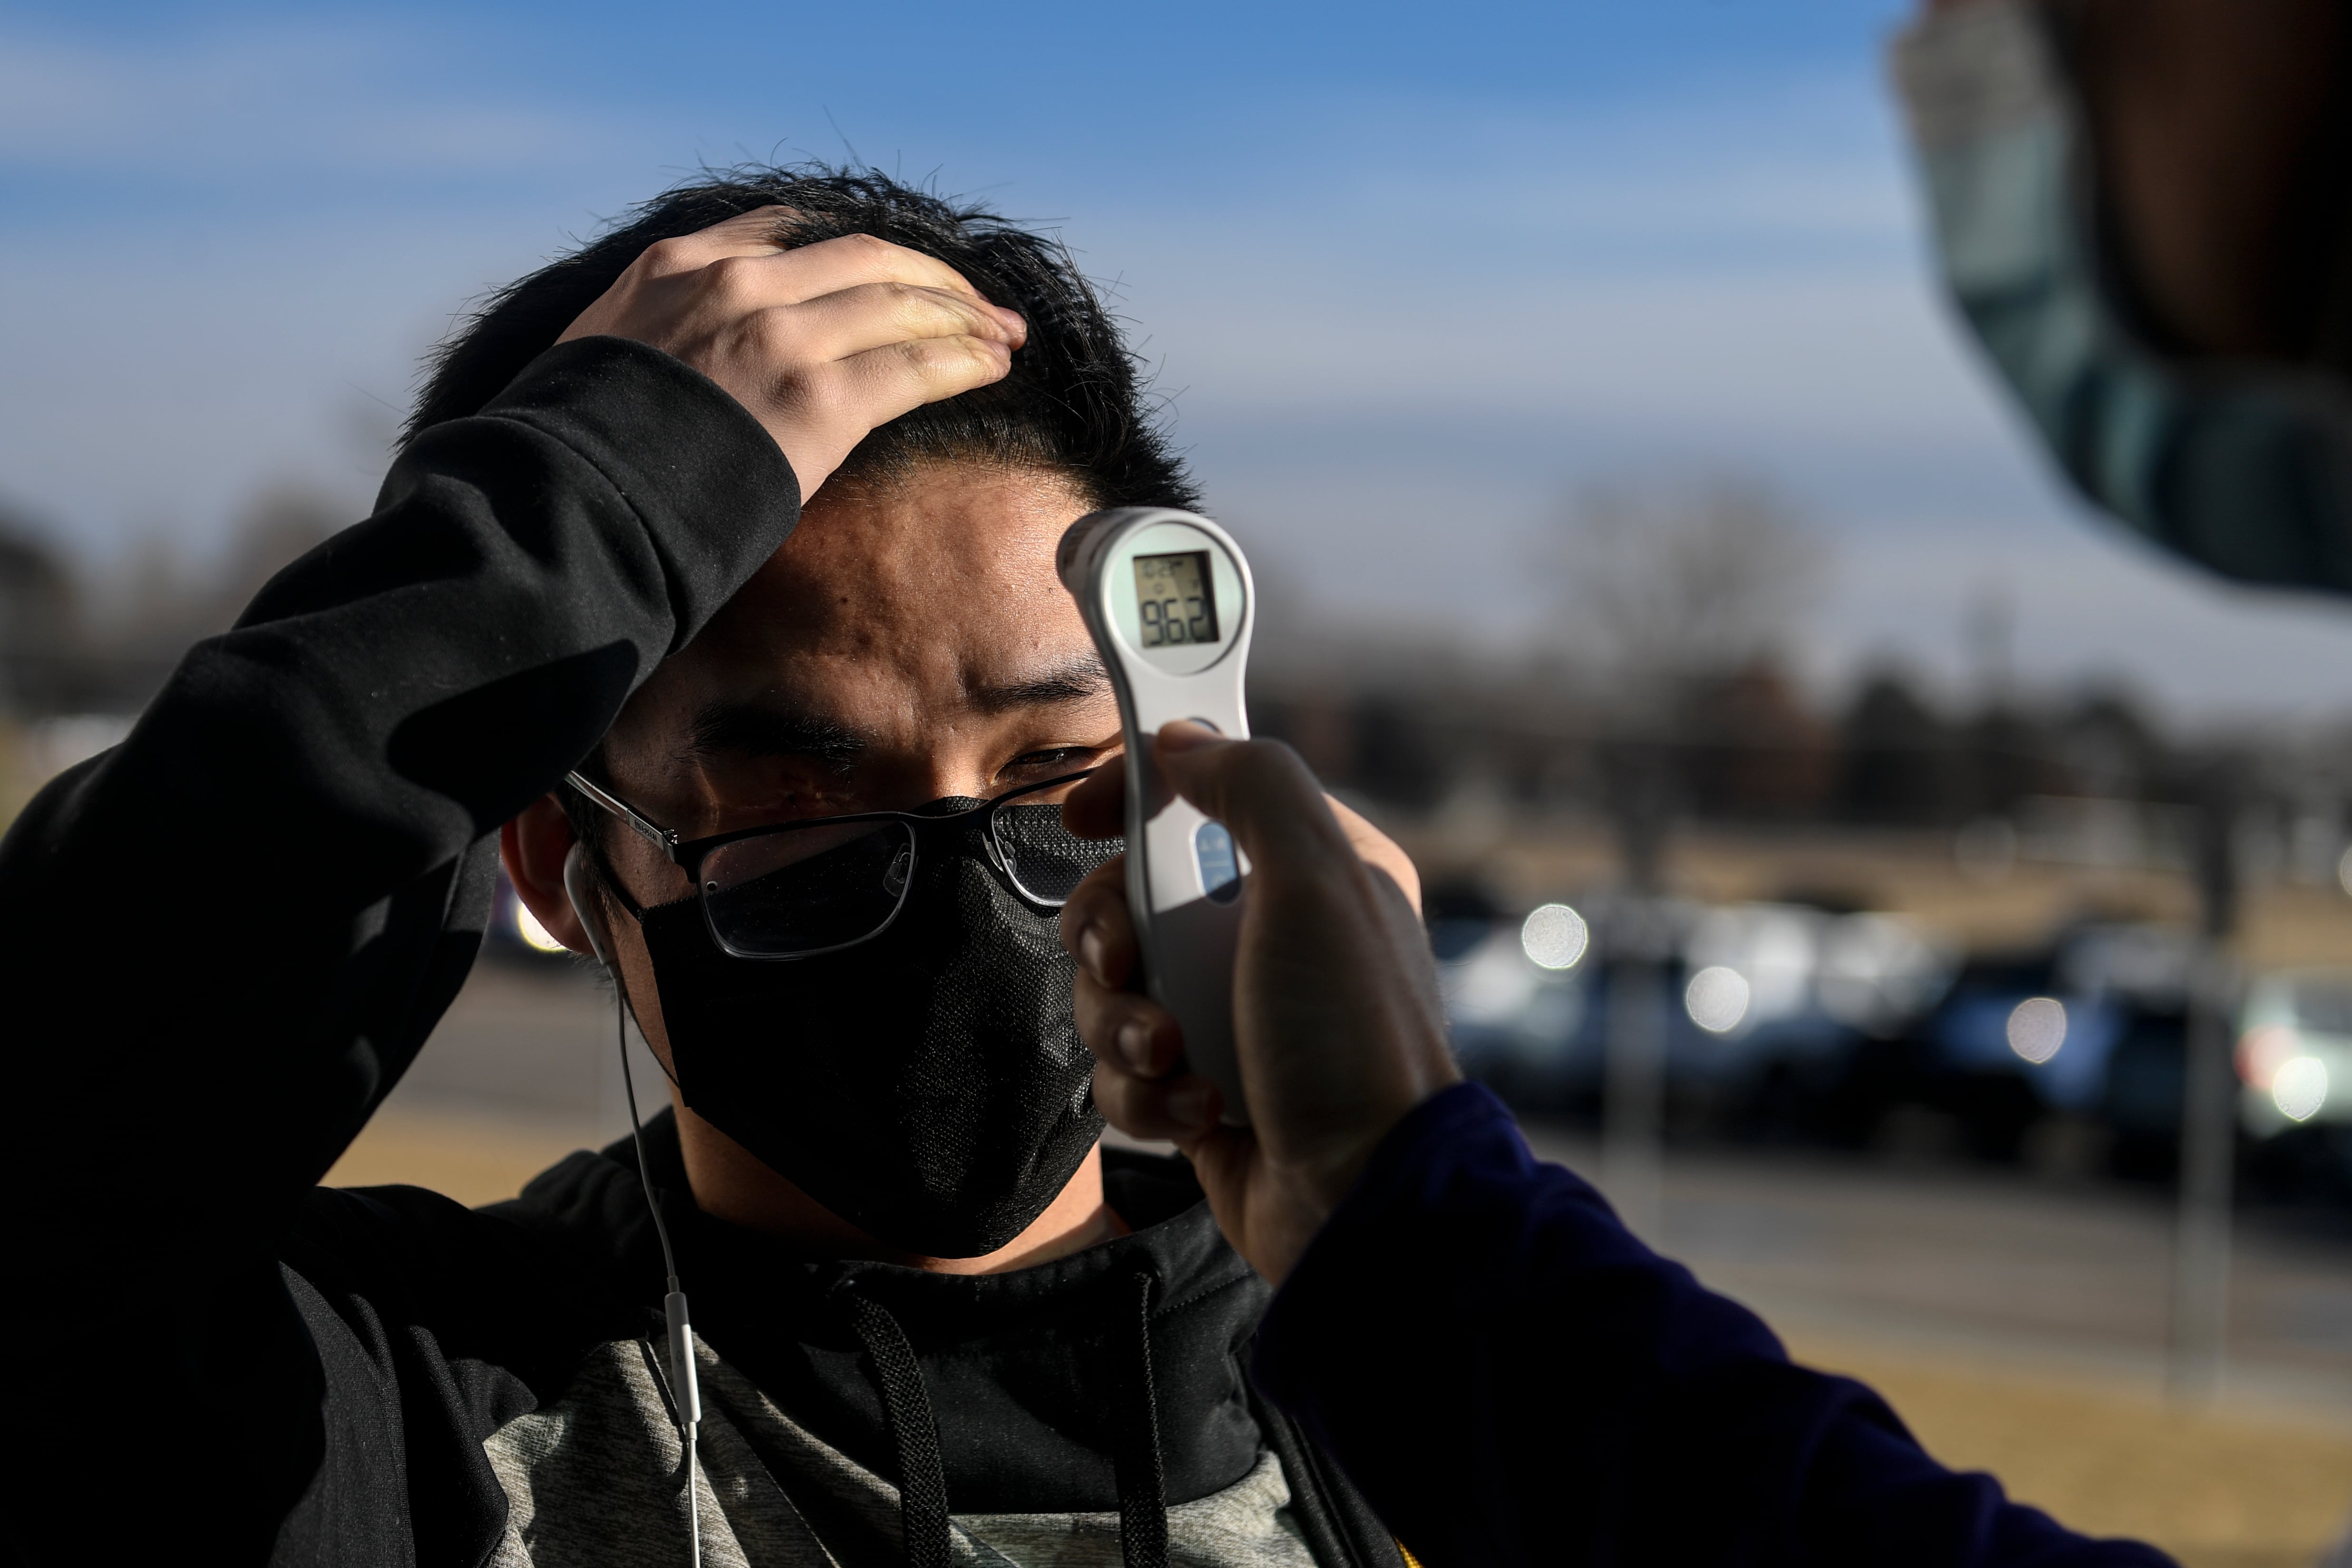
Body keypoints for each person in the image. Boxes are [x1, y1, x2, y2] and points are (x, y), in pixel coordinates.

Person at [0, 167, 1414, 1567]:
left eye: (1056, 774)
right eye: (800, 810)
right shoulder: (390, 1404)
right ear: (560, 863)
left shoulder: (1440, 1401)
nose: (964, 893)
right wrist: (583, 512)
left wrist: (1422, 1226)